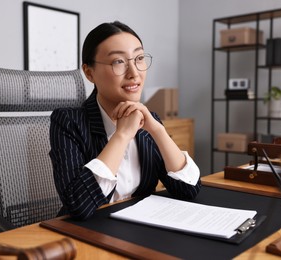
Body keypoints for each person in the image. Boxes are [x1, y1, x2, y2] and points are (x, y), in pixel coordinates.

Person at [50, 21, 201, 220]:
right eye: (118, 62)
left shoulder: (149, 121)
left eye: (139, 58)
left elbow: (188, 191)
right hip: (86, 237)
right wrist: (122, 135)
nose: (134, 73)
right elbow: (79, 205)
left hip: (139, 233)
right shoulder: (68, 122)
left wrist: (157, 130)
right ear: (89, 72)